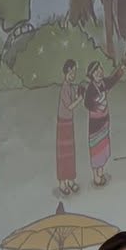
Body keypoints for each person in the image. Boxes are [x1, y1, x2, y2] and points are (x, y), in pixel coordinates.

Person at [84, 61, 126, 187]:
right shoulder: (91, 88)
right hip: (95, 124)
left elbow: (112, 80)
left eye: (100, 69)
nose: (99, 73)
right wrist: (96, 105)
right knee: (96, 148)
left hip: (104, 121)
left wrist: (120, 71)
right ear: (91, 75)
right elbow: (87, 103)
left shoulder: (104, 83)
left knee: (103, 147)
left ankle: (100, 172)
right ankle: (96, 176)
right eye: (96, 72)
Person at [56, 60, 82, 195]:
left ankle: (71, 180)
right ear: (65, 73)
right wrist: (80, 99)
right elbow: (70, 106)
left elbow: (74, 98)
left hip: (69, 122)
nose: (72, 75)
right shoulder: (64, 89)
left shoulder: (71, 87)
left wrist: (79, 93)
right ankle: (62, 182)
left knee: (70, 153)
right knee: (63, 154)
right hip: (63, 123)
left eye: (74, 73)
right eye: (70, 73)